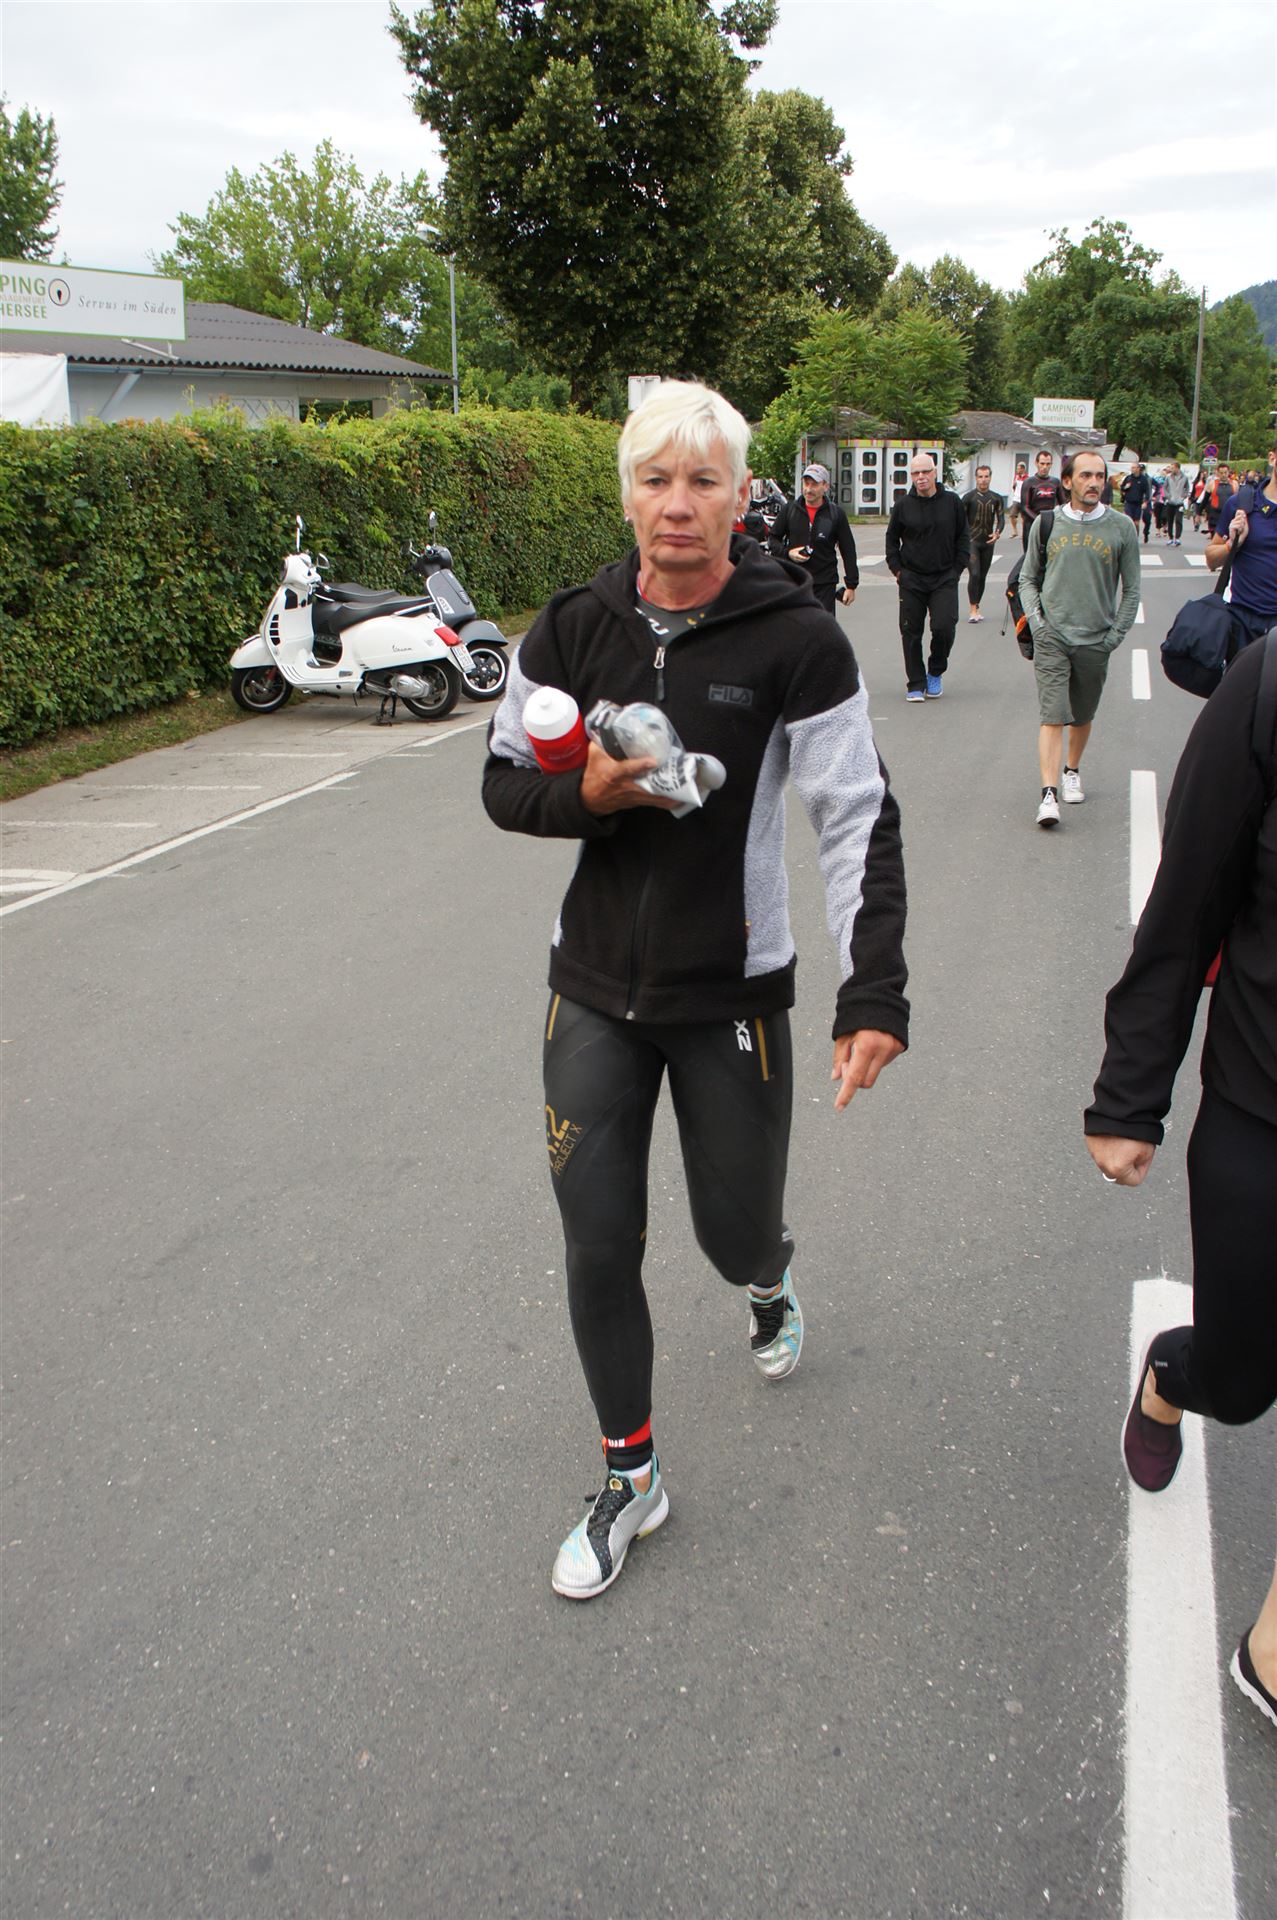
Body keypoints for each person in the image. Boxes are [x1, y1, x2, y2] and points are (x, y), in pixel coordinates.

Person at [482, 380, 909, 1601]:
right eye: (654, 480)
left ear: (737, 496)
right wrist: (586, 797)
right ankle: (631, 1477)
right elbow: (504, 784)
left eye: (701, 481)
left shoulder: (796, 639)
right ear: (625, 495)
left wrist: (871, 991)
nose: (676, 504)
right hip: (591, 991)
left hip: (730, 992)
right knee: (596, 1240)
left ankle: (768, 1274)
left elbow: (854, 815)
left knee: (730, 1237)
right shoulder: (571, 628)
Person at [1084, 633, 1277, 1732]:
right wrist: (1129, 1096)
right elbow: (1186, 902)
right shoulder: (1267, 687)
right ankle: (1175, 1370)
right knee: (1243, 1379)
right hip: (1261, 1104)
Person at [1018, 449, 1141, 827]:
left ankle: (1072, 769)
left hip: (1095, 639)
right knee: (1053, 716)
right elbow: (1027, 579)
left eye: (1100, 476)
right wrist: (1038, 625)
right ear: (1068, 481)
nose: (1094, 483)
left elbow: (1132, 590)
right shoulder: (1047, 524)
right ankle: (1049, 794)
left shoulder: (1121, 528)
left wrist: (1114, 636)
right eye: (1086, 476)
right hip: (1052, 636)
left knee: (1082, 714)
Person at [885, 452, 970, 701]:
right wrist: (898, 570)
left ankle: (935, 671)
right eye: (915, 473)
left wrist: (956, 570)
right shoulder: (903, 505)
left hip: (944, 577)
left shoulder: (952, 502)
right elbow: (891, 540)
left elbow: (963, 538)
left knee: (944, 627)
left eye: (925, 472)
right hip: (912, 578)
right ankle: (915, 682)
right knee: (910, 631)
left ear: (935, 473)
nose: (921, 477)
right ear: (911, 476)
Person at [1207, 439, 1277, 644]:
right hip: (1243, 623)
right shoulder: (1241, 504)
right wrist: (1233, 544)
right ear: (1272, 458)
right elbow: (1211, 559)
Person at [768, 461, 858, 615]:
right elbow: (773, 539)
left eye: (814, 484)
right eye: (806, 483)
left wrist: (851, 585)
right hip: (795, 581)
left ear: (825, 486)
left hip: (824, 584)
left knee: (822, 628)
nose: (808, 489)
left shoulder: (836, 514)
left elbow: (848, 549)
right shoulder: (790, 509)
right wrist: (788, 553)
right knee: (796, 627)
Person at [960, 464, 1005, 622]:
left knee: (982, 576)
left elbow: (1001, 519)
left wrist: (997, 532)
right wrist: (962, 538)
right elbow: (960, 520)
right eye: (980, 477)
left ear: (990, 478)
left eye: (986, 476)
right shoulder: (968, 498)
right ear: (976, 478)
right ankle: (973, 609)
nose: (983, 480)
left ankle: (977, 606)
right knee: (975, 573)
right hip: (972, 541)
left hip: (988, 541)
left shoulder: (996, 498)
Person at [1019, 448, 1064, 551]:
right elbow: (1024, 507)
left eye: (1048, 464)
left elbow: (1064, 504)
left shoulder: (1056, 482)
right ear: (1036, 463)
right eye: (1042, 463)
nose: (1045, 467)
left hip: (1049, 525)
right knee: (1029, 556)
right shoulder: (1028, 482)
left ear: (1051, 464)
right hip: (1031, 526)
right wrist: (1040, 520)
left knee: (1050, 556)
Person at [1121, 462, 1151, 543]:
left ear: (1138, 469)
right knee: (1129, 521)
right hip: (1129, 503)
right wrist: (1125, 487)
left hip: (1138, 503)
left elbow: (1147, 492)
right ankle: (1129, 538)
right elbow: (1122, 488)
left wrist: (1145, 502)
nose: (1132, 469)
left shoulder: (1143, 479)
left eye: (1134, 467)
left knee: (1136, 523)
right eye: (1132, 468)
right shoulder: (1128, 478)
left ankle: (1135, 537)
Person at [1162, 460, 1189, 545]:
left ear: (1177, 468)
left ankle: (1177, 538)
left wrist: (1184, 496)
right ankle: (1170, 537)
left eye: (1172, 468)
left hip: (1179, 502)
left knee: (1178, 520)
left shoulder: (1184, 477)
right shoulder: (1168, 477)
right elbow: (1164, 487)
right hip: (1170, 502)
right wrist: (1168, 496)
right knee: (1170, 520)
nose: (1171, 469)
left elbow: (1187, 488)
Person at [1007, 462, 1028, 541]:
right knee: (1012, 515)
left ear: (1023, 469)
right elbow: (1014, 488)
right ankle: (1015, 531)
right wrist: (1014, 485)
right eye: (1017, 469)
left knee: (1024, 518)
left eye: (1019, 469)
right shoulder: (1016, 477)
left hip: (1023, 500)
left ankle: (1023, 533)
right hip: (1016, 499)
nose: (1017, 470)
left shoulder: (1027, 478)